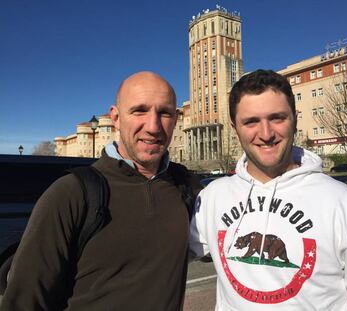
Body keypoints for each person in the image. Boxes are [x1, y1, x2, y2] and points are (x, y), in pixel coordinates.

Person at [189, 69, 347, 310]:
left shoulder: (344, 203)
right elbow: (162, 254)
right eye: (251, 121)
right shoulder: (213, 197)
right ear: (235, 127)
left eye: (277, 118)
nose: (266, 134)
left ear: (295, 119)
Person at [1, 71, 200, 311]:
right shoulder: (72, 193)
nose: (153, 126)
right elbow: (25, 300)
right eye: (139, 110)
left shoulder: (185, 186)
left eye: (165, 113)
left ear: (176, 119)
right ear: (115, 118)